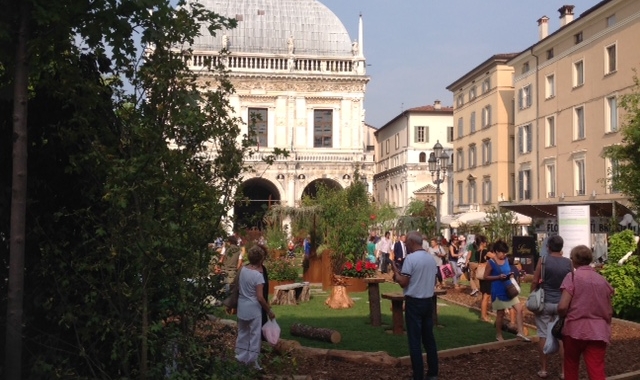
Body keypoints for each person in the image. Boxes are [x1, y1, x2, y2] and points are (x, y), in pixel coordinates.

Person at [558, 245, 614, 380]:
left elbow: (562, 306)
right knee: (596, 369)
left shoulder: (572, 277)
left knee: (571, 366)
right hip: (598, 331)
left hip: (574, 329)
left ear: (574, 260)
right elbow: (609, 311)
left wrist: (560, 316)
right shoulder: (602, 280)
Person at [390, 231, 439, 380]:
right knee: (429, 339)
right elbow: (434, 281)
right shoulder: (430, 259)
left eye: (406, 243)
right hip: (428, 301)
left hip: (414, 302)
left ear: (411, 242)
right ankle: (432, 373)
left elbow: (404, 282)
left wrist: (396, 274)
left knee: (415, 341)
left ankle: (418, 375)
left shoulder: (411, 259)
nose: (405, 246)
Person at [531, 235, 572, 379]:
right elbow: (572, 283)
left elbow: (535, 280)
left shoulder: (543, 261)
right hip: (562, 303)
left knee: (542, 334)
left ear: (548, 247)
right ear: (562, 247)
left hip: (545, 302)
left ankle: (543, 369)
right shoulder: (568, 263)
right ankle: (563, 371)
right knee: (561, 337)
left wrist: (531, 295)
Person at [235, 245, 275, 370]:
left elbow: (237, 287)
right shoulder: (258, 275)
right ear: (261, 259)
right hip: (253, 309)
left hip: (242, 306)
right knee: (254, 335)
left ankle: (240, 357)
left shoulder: (242, 270)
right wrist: (269, 311)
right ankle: (252, 361)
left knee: (242, 333)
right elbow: (260, 297)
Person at [485, 240, 530, 342]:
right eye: (502, 252)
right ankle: (499, 335)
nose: (504, 255)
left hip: (509, 288)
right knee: (500, 313)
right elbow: (485, 276)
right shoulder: (491, 262)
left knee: (519, 308)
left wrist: (511, 275)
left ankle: (520, 333)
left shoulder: (506, 260)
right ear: (496, 251)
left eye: (505, 253)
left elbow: (507, 270)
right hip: (498, 290)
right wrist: (498, 277)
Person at [479, 240, 495, 322]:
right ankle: (484, 316)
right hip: (487, 277)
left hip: (483, 276)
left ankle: (484, 314)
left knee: (484, 296)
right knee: (486, 296)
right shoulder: (489, 254)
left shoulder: (483, 252)